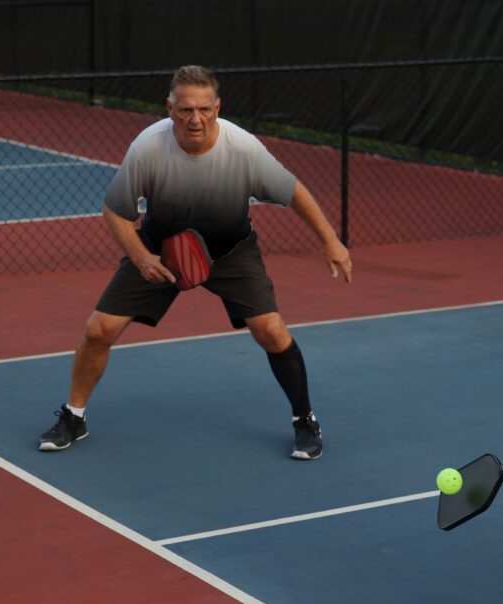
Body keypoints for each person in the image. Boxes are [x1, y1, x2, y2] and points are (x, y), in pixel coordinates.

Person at [38, 65, 352, 460]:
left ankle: (304, 420)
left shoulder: (243, 148)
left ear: (217, 107)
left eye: (205, 109)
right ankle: (74, 416)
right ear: (169, 109)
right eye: (186, 110)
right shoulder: (149, 147)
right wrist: (141, 256)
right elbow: (115, 210)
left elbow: (295, 193)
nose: (196, 118)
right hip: (161, 249)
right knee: (99, 329)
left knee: (271, 331)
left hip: (231, 251)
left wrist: (331, 241)